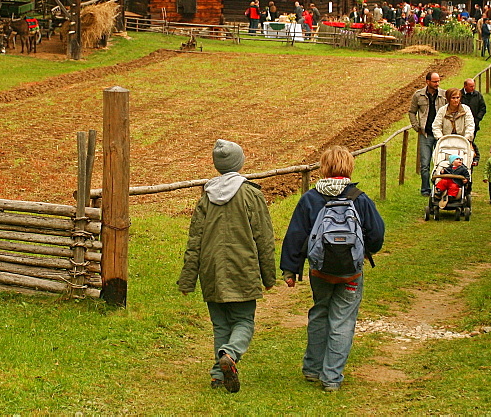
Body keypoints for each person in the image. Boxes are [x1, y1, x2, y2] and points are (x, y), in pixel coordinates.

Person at [279, 146, 385, 393]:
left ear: (323, 168)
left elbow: (296, 235)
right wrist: (363, 251)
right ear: (349, 167)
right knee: (343, 320)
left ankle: (312, 369)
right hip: (351, 273)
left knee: (320, 313)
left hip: (319, 271)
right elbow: (377, 234)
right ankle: (332, 377)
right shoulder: (359, 198)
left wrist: (290, 270)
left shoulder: (311, 198)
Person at [178, 139, 276, 394]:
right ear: (239, 163)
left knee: (221, 325)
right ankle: (230, 355)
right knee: (244, 320)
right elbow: (263, 238)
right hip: (242, 268)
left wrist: (188, 280)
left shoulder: (206, 197)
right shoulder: (251, 194)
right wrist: (269, 275)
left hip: (211, 270)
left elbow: (195, 241)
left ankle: (217, 375)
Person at [409, 72, 446, 196]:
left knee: (441, 163)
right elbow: (412, 112)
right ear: (428, 82)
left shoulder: (444, 95)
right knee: (425, 164)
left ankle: (440, 188)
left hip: (441, 135)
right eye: (435, 81)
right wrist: (416, 126)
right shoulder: (418, 95)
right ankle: (425, 189)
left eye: (438, 81)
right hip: (425, 135)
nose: (437, 84)